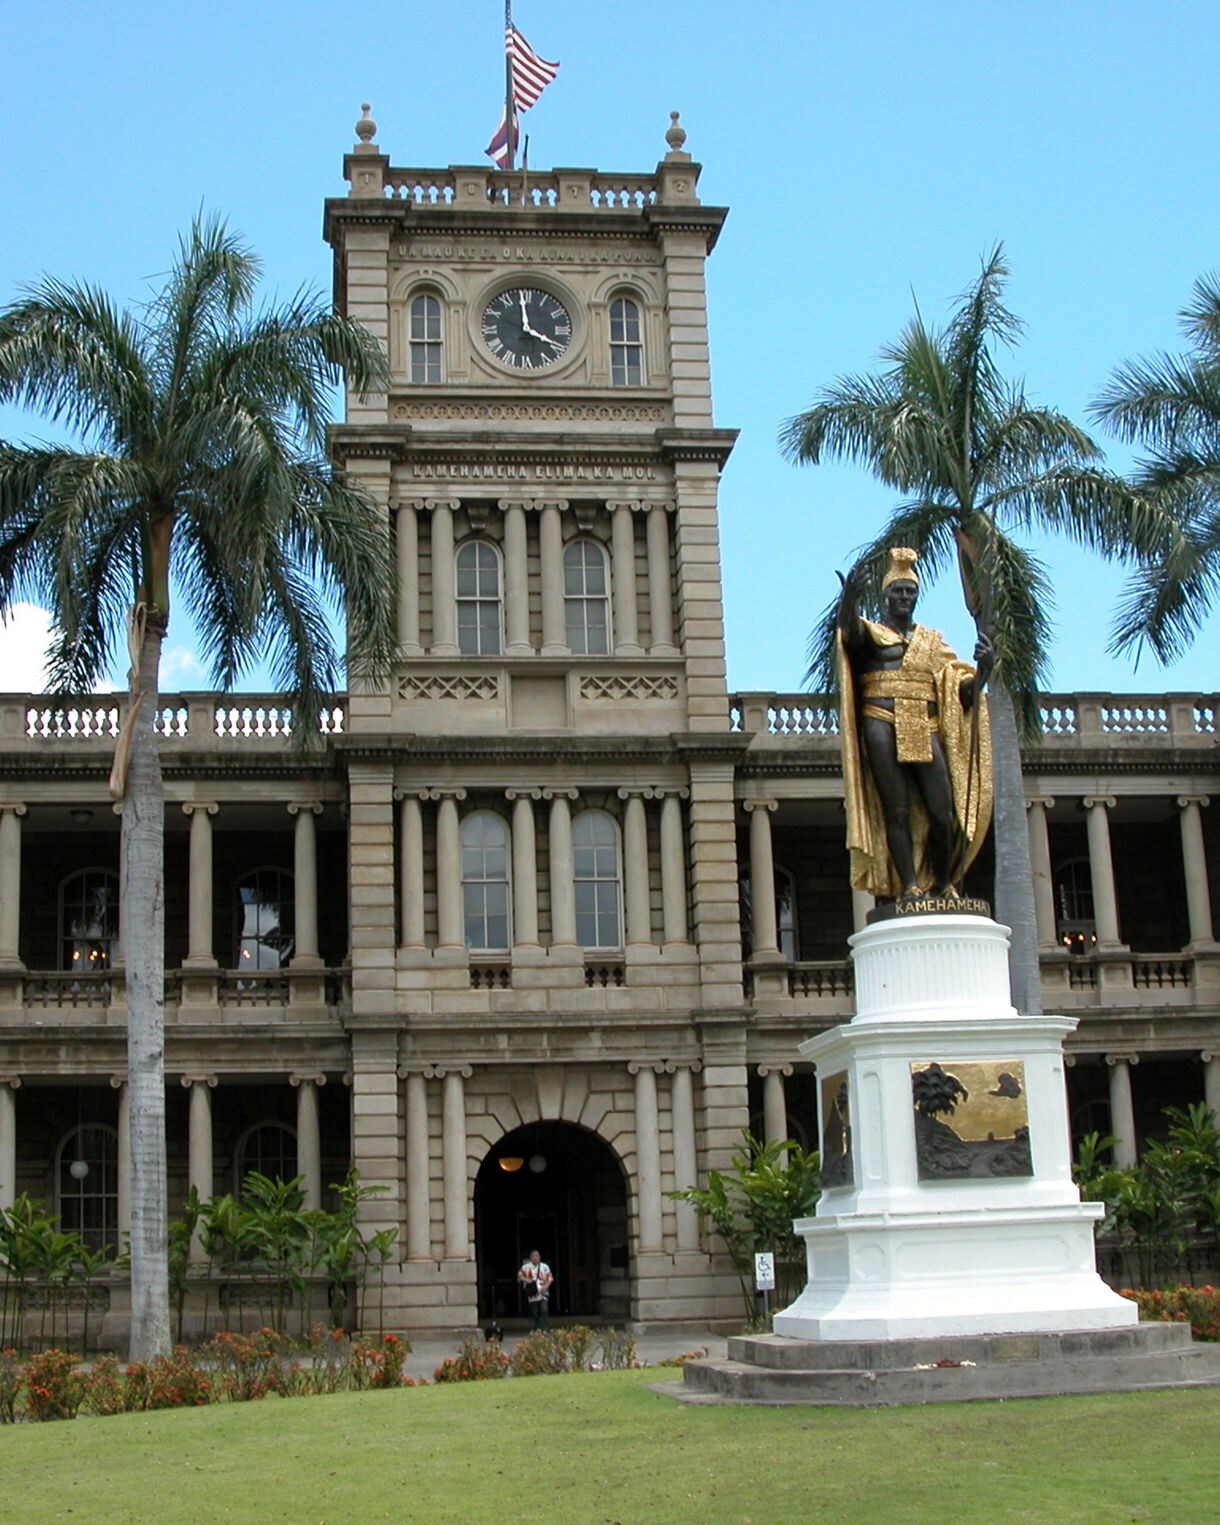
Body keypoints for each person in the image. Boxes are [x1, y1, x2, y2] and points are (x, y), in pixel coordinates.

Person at [837, 546, 992, 899]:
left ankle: (942, 882)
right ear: (886, 596)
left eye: (910, 592)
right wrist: (849, 600)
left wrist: (984, 670)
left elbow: (962, 694)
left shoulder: (931, 643)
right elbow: (850, 636)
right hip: (880, 720)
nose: (904, 597)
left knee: (942, 812)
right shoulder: (873, 633)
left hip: (925, 723)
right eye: (898, 591)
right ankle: (908, 886)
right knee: (898, 808)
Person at [518, 1249, 554, 1330]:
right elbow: (519, 1276)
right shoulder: (525, 1267)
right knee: (535, 1312)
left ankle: (545, 1328)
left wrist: (546, 1286)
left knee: (544, 1310)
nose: (535, 1258)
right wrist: (525, 1279)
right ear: (530, 1258)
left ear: (539, 1257)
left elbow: (550, 1278)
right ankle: (537, 1328)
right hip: (532, 1292)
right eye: (533, 1256)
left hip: (543, 1291)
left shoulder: (545, 1267)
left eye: (537, 1256)